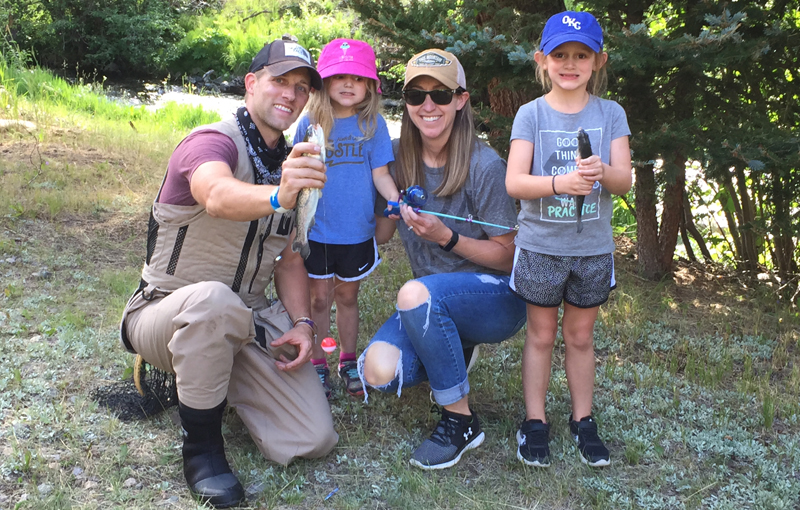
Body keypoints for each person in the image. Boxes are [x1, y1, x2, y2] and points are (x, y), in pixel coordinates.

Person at [119, 37, 338, 508]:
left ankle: (210, 379)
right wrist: (279, 195)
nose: (292, 95)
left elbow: (291, 257)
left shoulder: (294, 158)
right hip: (167, 310)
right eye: (280, 81)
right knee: (213, 303)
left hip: (247, 319)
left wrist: (302, 323)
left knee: (311, 438)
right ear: (251, 84)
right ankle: (201, 448)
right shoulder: (210, 141)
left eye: (302, 88)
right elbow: (216, 195)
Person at [359, 49, 527, 470]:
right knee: (380, 372)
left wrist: (447, 237)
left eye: (440, 94)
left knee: (415, 294)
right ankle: (453, 347)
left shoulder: (485, 166)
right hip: (429, 301)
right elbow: (380, 232)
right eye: (416, 95)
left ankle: (460, 420)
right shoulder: (395, 159)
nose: (428, 105)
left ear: (461, 99)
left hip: (497, 299)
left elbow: (510, 259)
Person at [505, 11, 632, 468]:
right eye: (561, 54)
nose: (571, 63)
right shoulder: (530, 113)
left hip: (592, 250)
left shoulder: (611, 114)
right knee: (540, 336)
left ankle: (584, 422)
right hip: (540, 246)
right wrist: (560, 184)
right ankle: (534, 423)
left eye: (582, 55)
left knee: (580, 337)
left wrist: (603, 172)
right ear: (543, 59)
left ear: (598, 61)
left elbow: (623, 181)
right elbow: (515, 183)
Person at [292, 38, 398, 399]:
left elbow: (381, 174)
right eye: (339, 77)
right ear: (323, 82)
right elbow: (293, 172)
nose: (349, 84)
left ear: (369, 84)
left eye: (358, 76)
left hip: (356, 233)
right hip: (317, 230)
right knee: (319, 299)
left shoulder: (374, 125)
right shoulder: (310, 122)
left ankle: (348, 360)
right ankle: (319, 364)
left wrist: (395, 200)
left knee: (347, 298)